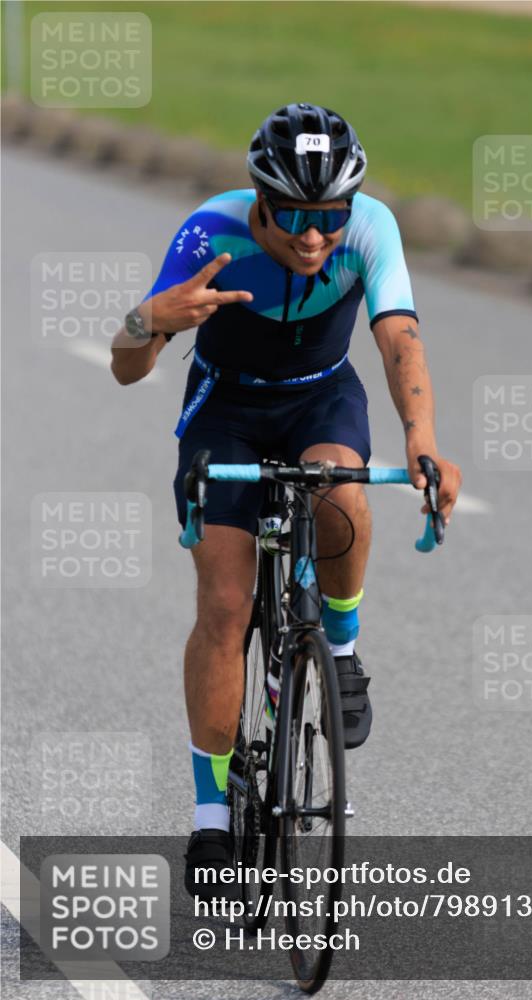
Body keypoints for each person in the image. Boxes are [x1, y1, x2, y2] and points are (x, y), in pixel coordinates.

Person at [111, 103, 461, 897]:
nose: (312, 237)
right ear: (260, 203)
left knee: (342, 493)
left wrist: (423, 440)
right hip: (226, 406)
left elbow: (399, 337)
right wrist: (147, 320)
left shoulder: (371, 228)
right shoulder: (210, 234)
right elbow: (125, 368)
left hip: (318, 397)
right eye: (295, 217)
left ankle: (338, 650)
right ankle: (208, 818)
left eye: (328, 218)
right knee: (226, 604)